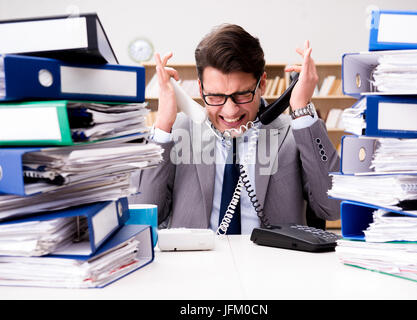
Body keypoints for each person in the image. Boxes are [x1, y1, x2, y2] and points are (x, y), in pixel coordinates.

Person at [130, 24, 340, 234]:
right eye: (215, 96)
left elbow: (333, 209)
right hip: (195, 263)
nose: (230, 111)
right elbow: (141, 217)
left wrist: (301, 109)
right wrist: (163, 126)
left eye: (242, 95)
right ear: (201, 89)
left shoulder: (293, 134)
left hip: (274, 263)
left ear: (262, 84)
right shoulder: (178, 132)